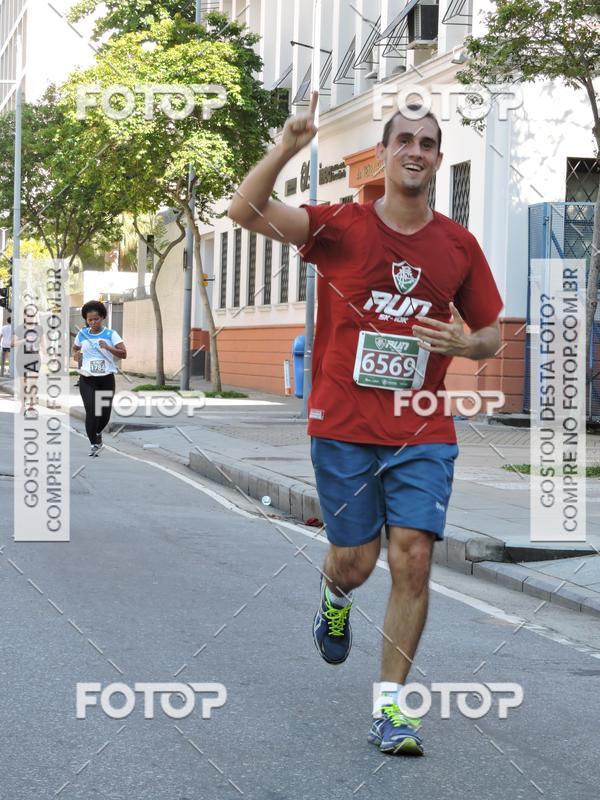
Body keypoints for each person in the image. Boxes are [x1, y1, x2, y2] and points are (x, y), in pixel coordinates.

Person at [228, 92, 503, 756]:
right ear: (383, 154)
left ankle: (391, 711)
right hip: (344, 423)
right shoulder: (340, 225)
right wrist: (288, 147)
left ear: (438, 160)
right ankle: (334, 595)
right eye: (404, 139)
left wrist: (467, 347)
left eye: (428, 142)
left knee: (413, 558)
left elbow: (491, 331)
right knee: (356, 561)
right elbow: (244, 210)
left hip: (421, 427)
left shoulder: (458, 246)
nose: (416, 150)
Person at [72, 300, 127, 456]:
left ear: (102, 317)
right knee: (91, 410)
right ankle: (94, 444)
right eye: (89, 319)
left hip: (106, 378)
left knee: (104, 414)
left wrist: (108, 347)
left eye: (96, 319)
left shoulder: (111, 334)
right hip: (87, 377)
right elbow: (75, 348)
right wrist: (75, 354)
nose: (93, 322)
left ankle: (97, 433)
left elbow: (124, 354)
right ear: (86, 320)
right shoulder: (82, 334)